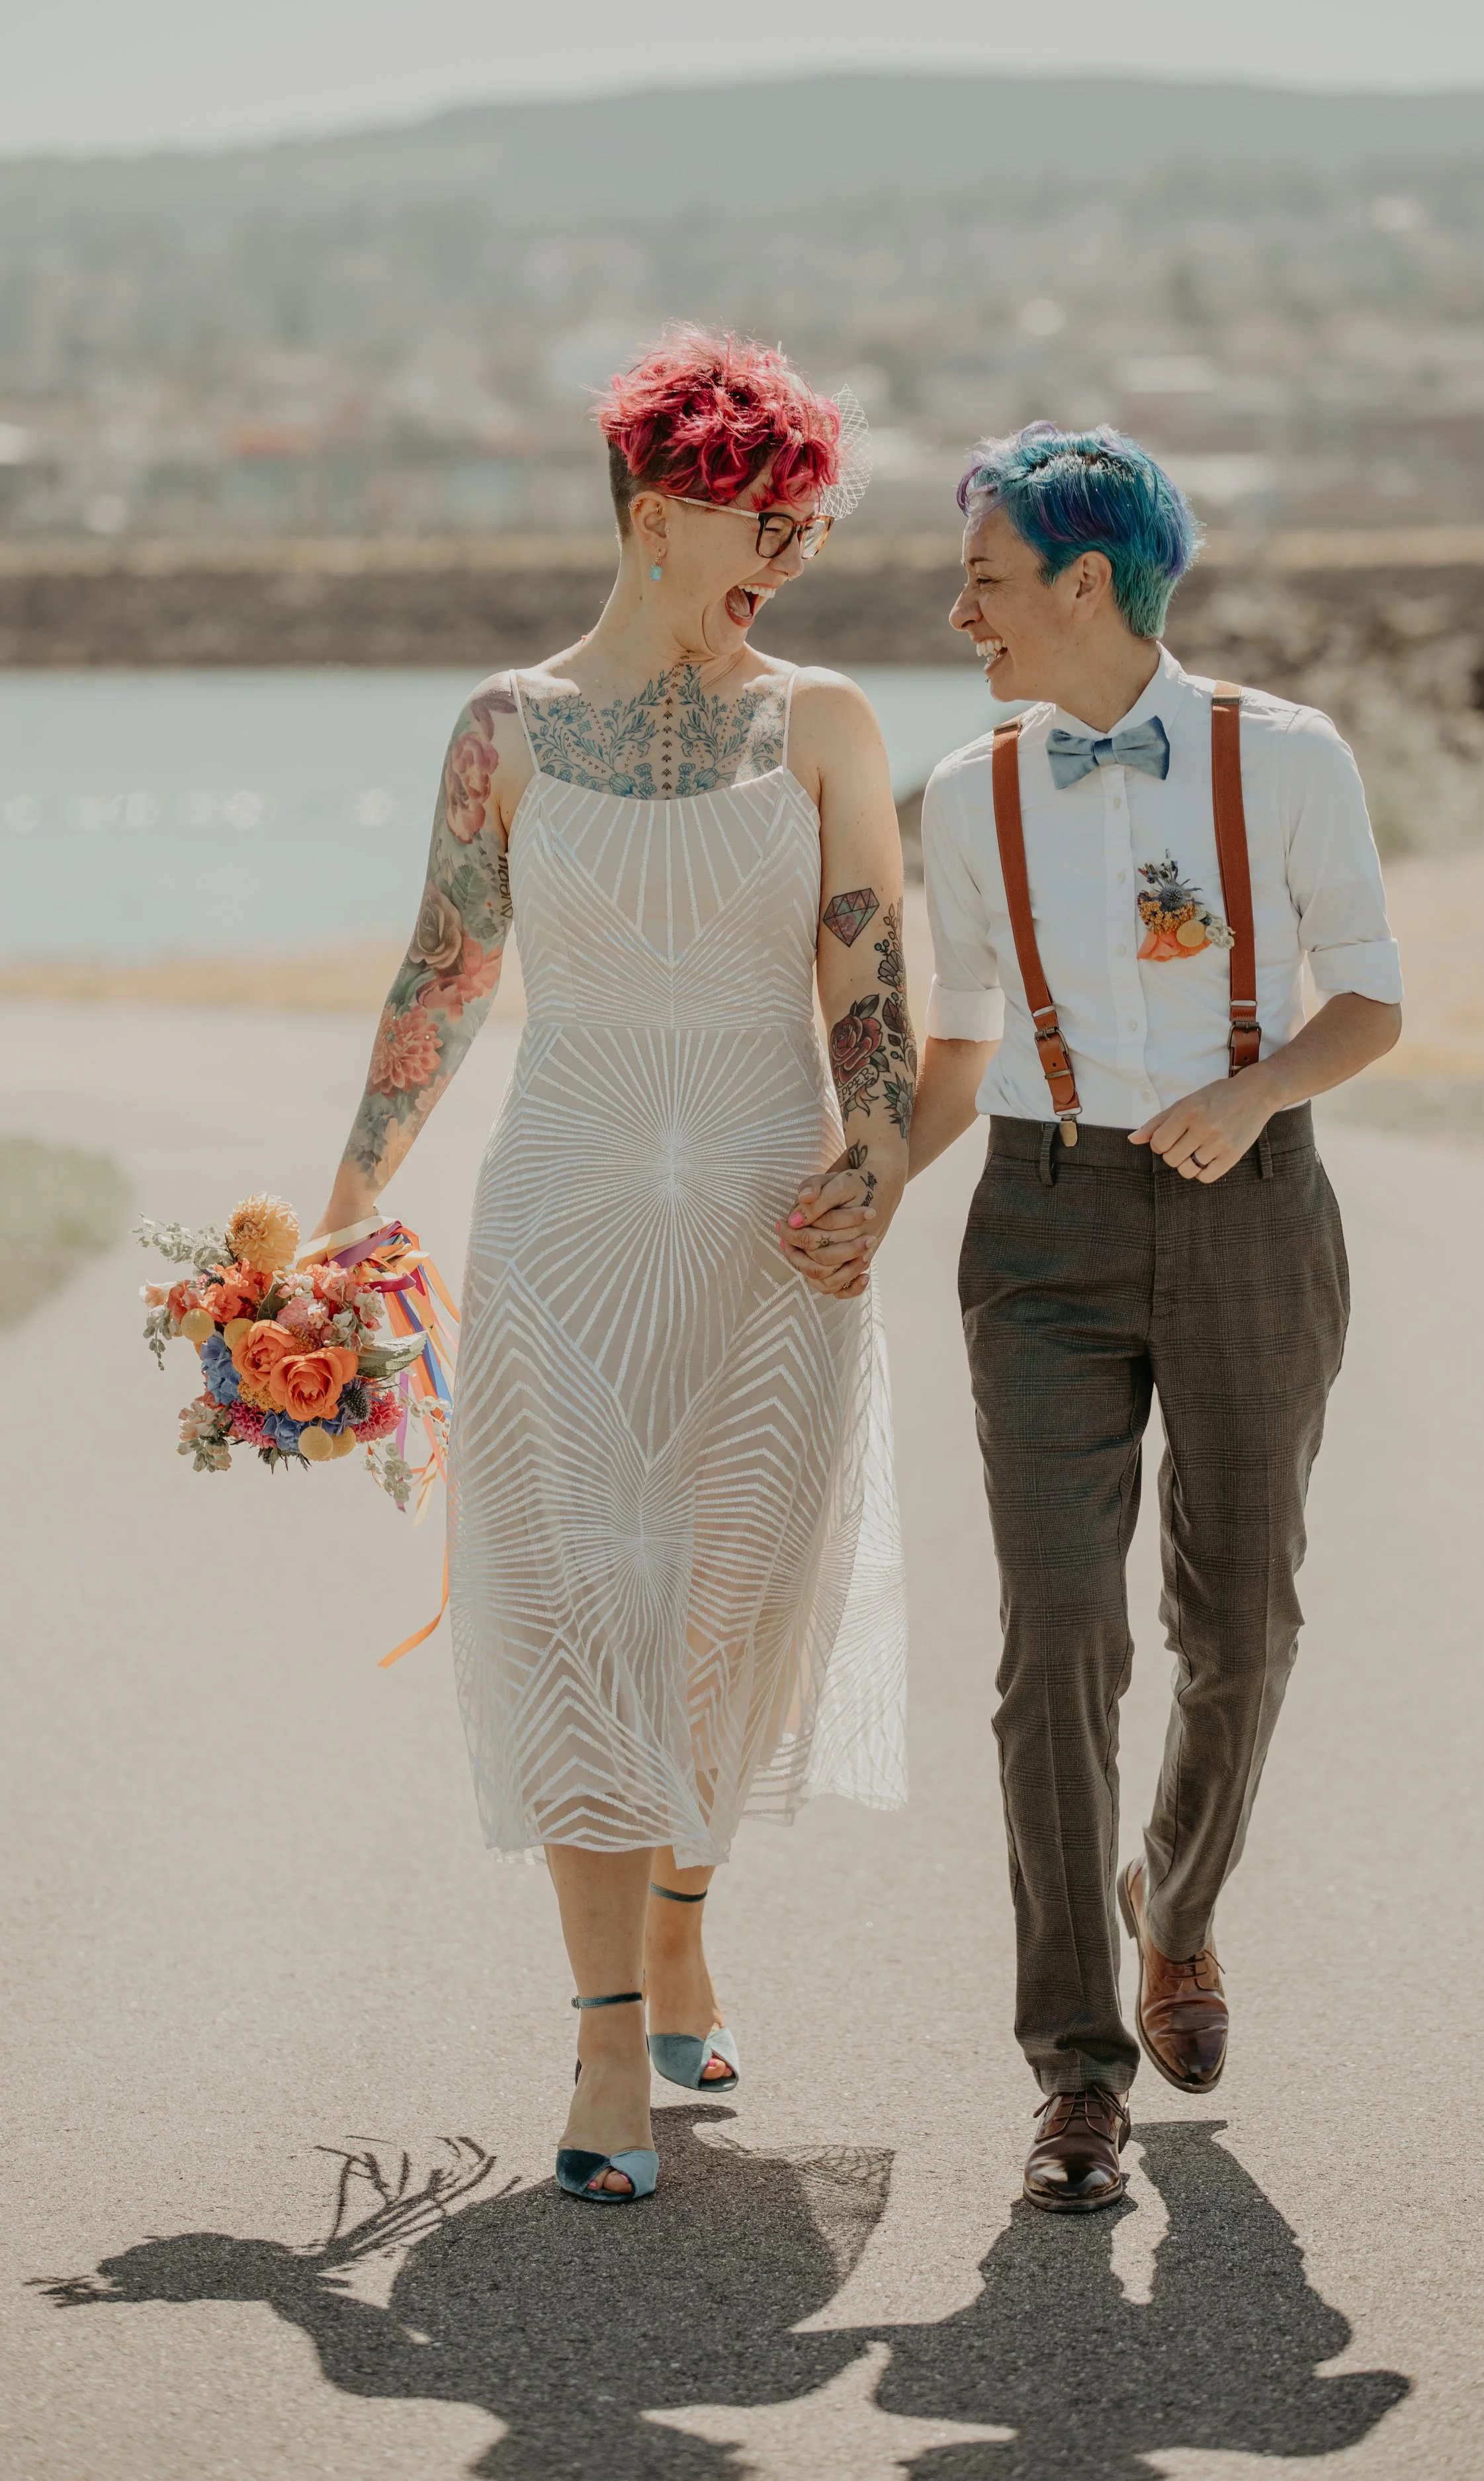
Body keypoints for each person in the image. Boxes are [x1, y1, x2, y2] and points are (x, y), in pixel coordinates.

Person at [309, 327, 910, 2206]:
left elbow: (871, 988)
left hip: (764, 1235)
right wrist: (336, 1216)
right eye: (763, 527)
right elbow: (442, 974)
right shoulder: (505, 727)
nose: (785, 566)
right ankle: (598, 2036)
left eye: (805, 534)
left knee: (730, 1609)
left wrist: (878, 1153)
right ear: (659, 514)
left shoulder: (820, 721)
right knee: (574, 1614)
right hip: (564, 1226)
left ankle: (678, 1920)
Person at [785, 421, 1402, 2214]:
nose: (957, 606)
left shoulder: (1281, 758)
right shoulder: (967, 793)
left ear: (1081, 580)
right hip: (1038, 1227)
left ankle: (1177, 1907)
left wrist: (1259, 1089)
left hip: (1248, 1217)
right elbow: (960, 1048)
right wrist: (873, 1168)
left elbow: (1366, 1001)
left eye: (982, 573)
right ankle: (1073, 2067)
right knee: (1054, 1639)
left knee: (1241, 1620)